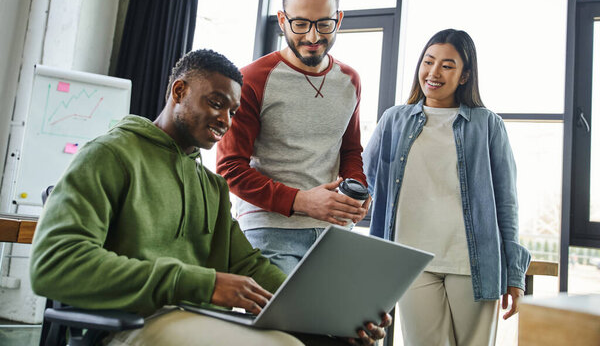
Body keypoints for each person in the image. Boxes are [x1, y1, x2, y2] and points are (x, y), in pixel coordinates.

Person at [30, 49, 389, 345]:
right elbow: (55, 264)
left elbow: (250, 266)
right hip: (128, 325)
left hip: (195, 320)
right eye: (216, 103)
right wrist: (202, 282)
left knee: (303, 342)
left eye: (233, 111)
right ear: (179, 92)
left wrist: (335, 316)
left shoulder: (210, 186)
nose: (226, 120)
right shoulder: (110, 155)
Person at [363, 29, 531, 346]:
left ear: (465, 75)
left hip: (473, 264)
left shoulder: (487, 124)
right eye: (428, 61)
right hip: (411, 261)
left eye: (447, 65)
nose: (434, 72)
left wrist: (514, 275)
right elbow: (367, 177)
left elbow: (506, 203)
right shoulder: (394, 120)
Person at [217, 0, 370, 275]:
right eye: (300, 24)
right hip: (269, 231)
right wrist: (301, 201)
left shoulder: (349, 80)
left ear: (338, 20)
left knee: (340, 323)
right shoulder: (251, 79)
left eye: (324, 24)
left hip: (334, 232)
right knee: (283, 324)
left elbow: (350, 152)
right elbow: (230, 168)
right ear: (283, 19)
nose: (313, 37)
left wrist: (359, 189)